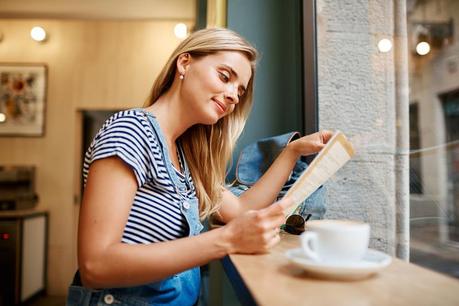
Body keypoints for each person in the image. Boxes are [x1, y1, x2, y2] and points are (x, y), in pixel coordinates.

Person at [66, 27, 332, 306]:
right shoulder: (131, 131)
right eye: (224, 76)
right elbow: (96, 266)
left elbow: (243, 210)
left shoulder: (185, 157)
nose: (232, 96)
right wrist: (226, 240)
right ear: (185, 63)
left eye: (239, 91)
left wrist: (292, 152)